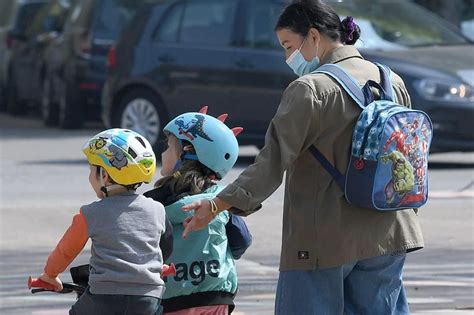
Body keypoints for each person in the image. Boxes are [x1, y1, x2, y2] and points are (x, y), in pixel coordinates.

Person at [180, 1, 424, 314]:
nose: (287, 58)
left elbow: (272, 162)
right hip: (391, 231)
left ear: (313, 36)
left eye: (288, 46)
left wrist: (216, 205)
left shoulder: (310, 89)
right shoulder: (392, 81)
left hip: (324, 237)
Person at [35, 128, 173, 315]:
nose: (90, 176)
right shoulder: (157, 209)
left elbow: (65, 251)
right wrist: (157, 266)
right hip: (148, 298)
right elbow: (166, 246)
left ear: (105, 176)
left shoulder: (91, 213)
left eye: (92, 170)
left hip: (103, 298)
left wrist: (50, 275)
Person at [144, 107, 252, 315]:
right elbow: (242, 241)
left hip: (171, 299)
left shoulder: (153, 202)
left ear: (185, 151)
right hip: (216, 297)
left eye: (168, 147)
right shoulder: (221, 200)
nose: (163, 152)